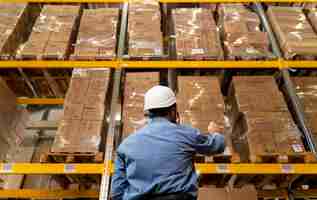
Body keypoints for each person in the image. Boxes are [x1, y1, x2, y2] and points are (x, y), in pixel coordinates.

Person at [111, 85, 225, 200]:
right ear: (173, 111)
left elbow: (117, 192)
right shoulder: (186, 134)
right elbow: (216, 146)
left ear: (148, 113)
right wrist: (216, 133)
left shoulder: (125, 145)